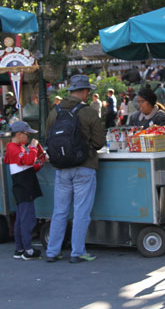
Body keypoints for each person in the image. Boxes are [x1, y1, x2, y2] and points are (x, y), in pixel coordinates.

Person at [45, 75, 105, 263]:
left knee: (60, 211)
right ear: (85, 91)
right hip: (84, 167)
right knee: (81, 212)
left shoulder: (55, 111)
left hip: (62, 168)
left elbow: (48, 137)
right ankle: (77, 252)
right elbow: (99, 142)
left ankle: (52, 252)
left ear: (70, 91)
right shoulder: (88, 112)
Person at [5, 121, 45, 261]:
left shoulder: (15, 148)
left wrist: (38, 163)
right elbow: (27, 161)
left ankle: (20, 248)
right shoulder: (13, 148)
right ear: (19, 134)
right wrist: (34, 149)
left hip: (22, 188)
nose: (28, 138)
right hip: (24, 189)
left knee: (21, 220)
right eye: (27, 134)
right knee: (27, 220)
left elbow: (25, 166)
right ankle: (27, 250)